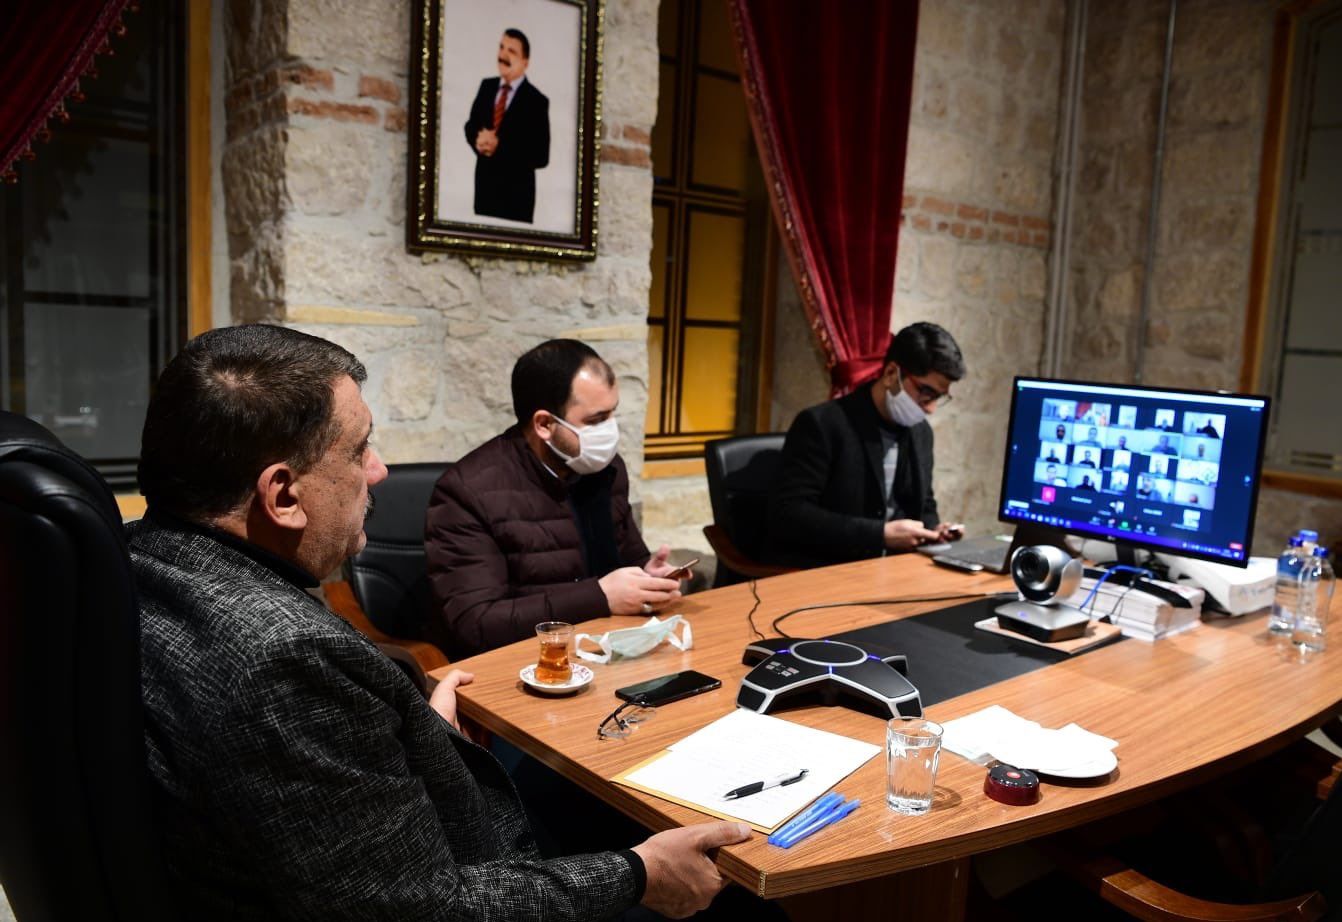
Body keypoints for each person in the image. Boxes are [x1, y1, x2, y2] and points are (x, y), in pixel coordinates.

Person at [130, 325, 746, 920]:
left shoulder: (136, 560)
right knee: (740, 898)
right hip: (480, 865)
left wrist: (410, 734)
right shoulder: (288, 658)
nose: (379, 471)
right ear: (283, 495)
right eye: (360, 449)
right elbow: (422, 907)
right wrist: (639, 875)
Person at [427, 339, 682, 658]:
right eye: (596, 420)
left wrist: (648, 576)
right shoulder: (466, 491)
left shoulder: (605, 469)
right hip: (523, 663)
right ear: (545, 424)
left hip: (606, 649)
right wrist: (600, 597)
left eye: (612, 414)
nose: (610, 431)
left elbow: (627, 559)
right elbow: (476, 624)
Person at [765, 323, 965, 567]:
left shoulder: (920, 433)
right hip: (831, 568)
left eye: (939, 397)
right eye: (926, 392)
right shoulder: (823, 424)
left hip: (895, 570)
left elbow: (924, 505)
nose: (931, 408)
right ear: (891, 374)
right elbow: (789, 514)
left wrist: (935, 531)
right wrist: (879, 535)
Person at [463, 28, 550, 222]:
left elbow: (541, 156)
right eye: (501, 47)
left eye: (511, 51)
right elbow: (471, 125)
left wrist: (499, 147)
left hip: (516, 201)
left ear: (525, 62)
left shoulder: (537, 101)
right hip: (484, 194)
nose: (503, 55)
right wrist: (478, 139)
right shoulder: (486, 87)